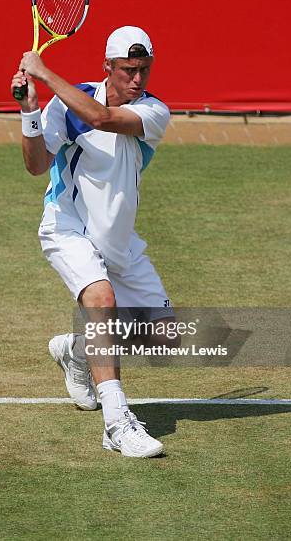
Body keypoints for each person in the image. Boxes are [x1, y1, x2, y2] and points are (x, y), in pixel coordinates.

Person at [11, 26, 174, 458]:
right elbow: (36, 165)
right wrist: (30, 112)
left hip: (120, 245)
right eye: (127, 70)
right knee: (100, 300)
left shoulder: (153, 111)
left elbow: (102, 118)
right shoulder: (68, 106)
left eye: (144, 69)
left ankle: (77, 350)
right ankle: (117, 425)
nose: (137, 79)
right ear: (108, 68)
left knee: (161, 338)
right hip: (68, 230)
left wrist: (45, 75)